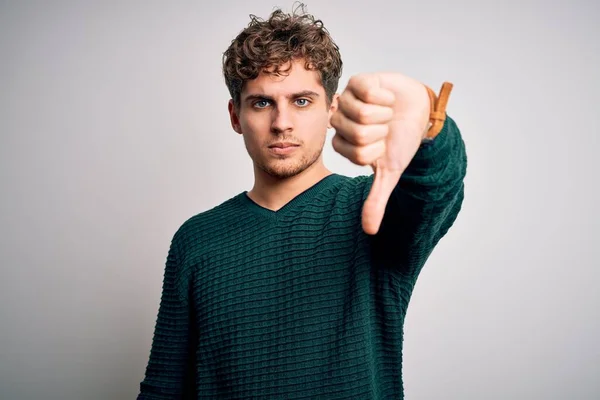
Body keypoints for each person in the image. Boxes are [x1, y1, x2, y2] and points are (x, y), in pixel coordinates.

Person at [137, 4, 467, 399]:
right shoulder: (197, 239)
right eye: (262, 102)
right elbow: (164, 388)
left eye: (302, 101)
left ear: (331, 109)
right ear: (235, 115)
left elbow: (435, 187)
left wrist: (427, 121)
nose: (282, 123)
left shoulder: (370, 210)